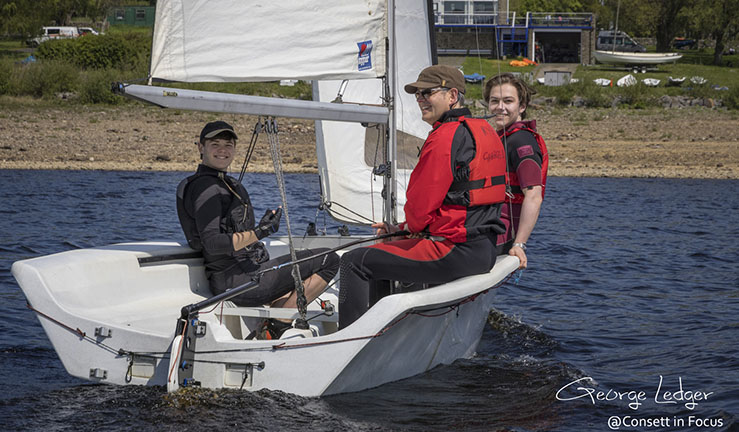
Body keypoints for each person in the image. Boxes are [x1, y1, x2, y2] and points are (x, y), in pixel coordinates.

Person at [338, 65, 508, 329]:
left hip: (454, 251)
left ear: (452, 96)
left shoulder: (444, 138)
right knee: (380, 255)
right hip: (483, 249)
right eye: (417, 94)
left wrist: (411, 228)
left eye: (427, 92)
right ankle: (386, 330)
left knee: (354, 262)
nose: (420, 99)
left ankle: (349, 342)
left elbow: (420, 206)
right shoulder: (485, 131)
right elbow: (460, 204)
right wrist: (405, 230)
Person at [176, 120, 339, 339]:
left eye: (228, 144)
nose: (222, 150)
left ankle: (272, 325)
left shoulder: (220, 183)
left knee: (291, 285)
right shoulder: (208, 188)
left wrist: (260, 230)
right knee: (329, 259)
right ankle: (276, 325)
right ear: (200, 147)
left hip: (245, 276)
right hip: (240, 283)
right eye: (215, 144)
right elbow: (212, 243)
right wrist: (261, 232)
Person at [483, 73, 549, 270]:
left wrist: (519, 244)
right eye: (495, 101)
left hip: (502, 234)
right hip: (488, 224)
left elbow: (534, 195)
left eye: (508, 101)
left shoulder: (521, 141)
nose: (500, 107)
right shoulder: (502, 138)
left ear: (522, 107)